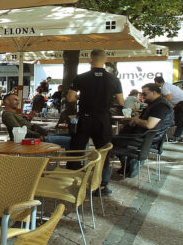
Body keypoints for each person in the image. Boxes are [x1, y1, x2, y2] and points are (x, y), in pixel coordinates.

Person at [67, 50, 124, 183]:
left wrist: (81, 97)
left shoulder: (80, 77)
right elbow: (121, 102)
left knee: (77, 150)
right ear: (105, 60)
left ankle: (72, 181)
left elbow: (70, 98)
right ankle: (102, 184)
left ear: (90, 59)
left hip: (85, 118)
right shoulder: (114, 79)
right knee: (103, 152)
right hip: (103, 118)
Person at [104, 82, 174, 184]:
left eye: (145, 94)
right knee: (116, 139)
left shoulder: (161, 106)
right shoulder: (156, 104)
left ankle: (131, 163)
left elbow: (150, 125)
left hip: (144, 139)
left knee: (109, 142)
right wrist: (136, 119)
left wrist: (137, 120)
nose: (142, 96)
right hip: (145, 137)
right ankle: (129, 165)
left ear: (154, 92)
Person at [156, 76, 183, 143]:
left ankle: (176, 137)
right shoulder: (168, 85)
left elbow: (168, 98)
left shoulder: (164, 87)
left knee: (181, 121)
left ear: (156, 82)